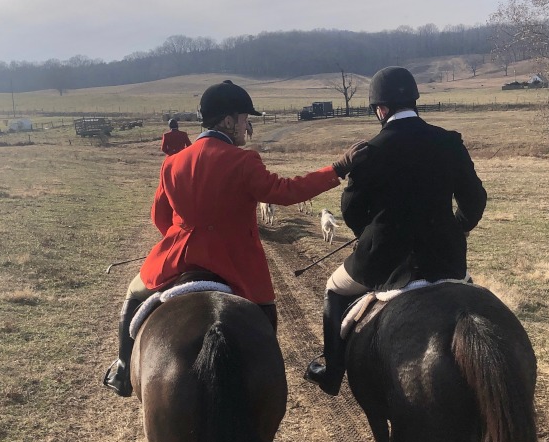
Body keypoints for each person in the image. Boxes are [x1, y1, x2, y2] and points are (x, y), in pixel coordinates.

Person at [103, 79, 369, 397]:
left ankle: (121, 369)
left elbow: (159, 218)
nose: (247, 125)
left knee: (134, 294)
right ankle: (265, 381)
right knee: (264, 314)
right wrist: (337, 169)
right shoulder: (243, 161)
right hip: (236, 264)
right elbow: (286, 192)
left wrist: (180, 238)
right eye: (245, 118)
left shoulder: (172, 163)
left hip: (180, 256)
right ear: (228, 120)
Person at [304, 66, 487, 396]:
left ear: (382, 109)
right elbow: (475, 199)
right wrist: (456, 228)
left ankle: (332, 372)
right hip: (445, 257)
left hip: (384, 261)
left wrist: (371, 235)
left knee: (333, 288)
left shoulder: (368, 152)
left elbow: (352, 211)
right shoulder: (449, 141)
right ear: (414, 102)